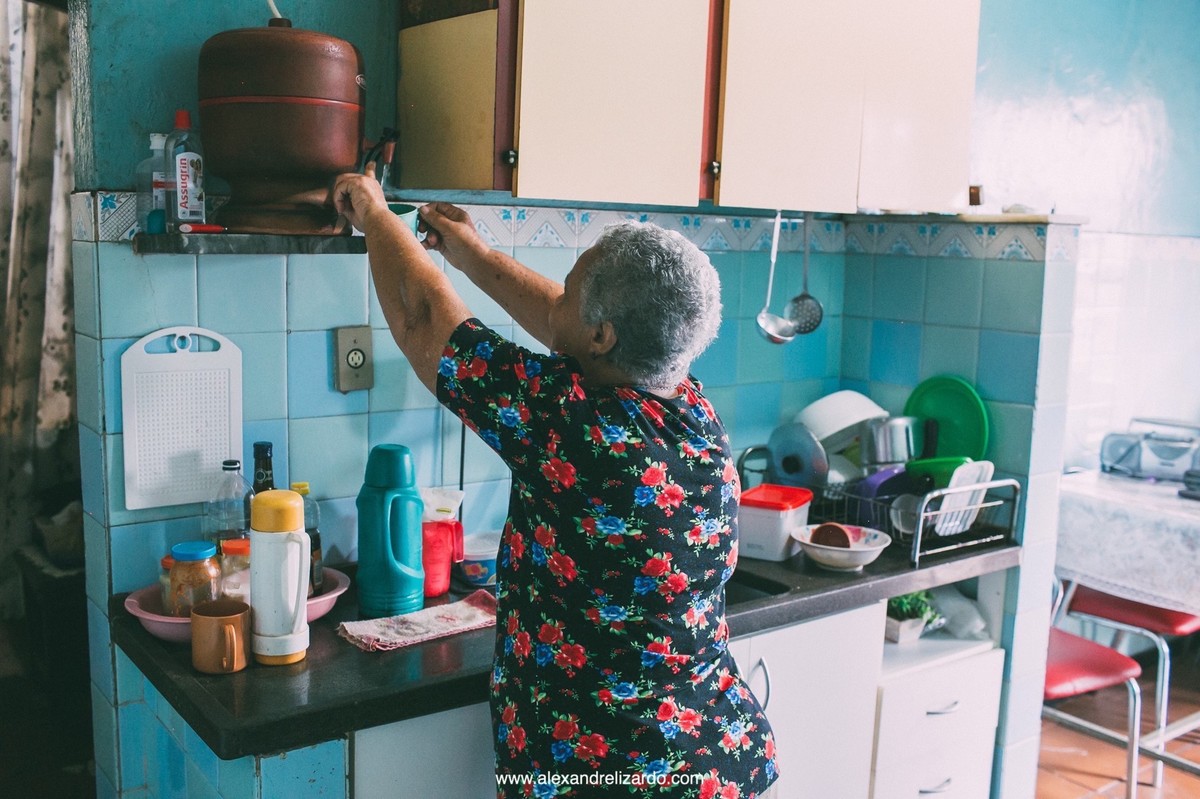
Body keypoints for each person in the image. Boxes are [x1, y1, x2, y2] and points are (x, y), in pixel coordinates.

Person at [333, 167, 777, 798]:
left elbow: (423, 318)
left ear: (601, 334)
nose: (558, 298)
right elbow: (565, 324)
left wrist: (375, 216)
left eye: (571, 288)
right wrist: (476, 255)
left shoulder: (573, 427)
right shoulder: (686, 406)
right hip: (722, 759)